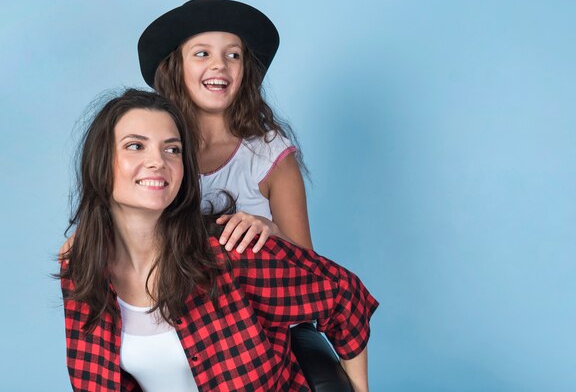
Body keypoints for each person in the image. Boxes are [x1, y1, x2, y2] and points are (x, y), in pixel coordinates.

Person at [58, 89, 377, 391]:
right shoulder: (81, 269)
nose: (158, 161)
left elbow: (346, 297)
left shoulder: (231, 252)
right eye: (135, 146)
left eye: (172, 149)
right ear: (101, 162)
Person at [138, 0, 312, 254]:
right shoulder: (148, 152)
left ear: (245, 71)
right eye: (202, 53)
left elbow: (311, 268)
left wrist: (273, 232)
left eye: (233, 55)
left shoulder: (269, 155)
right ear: (176, 68)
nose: (219, 64)